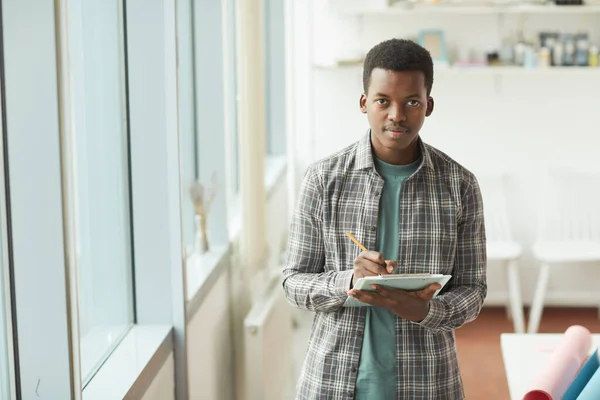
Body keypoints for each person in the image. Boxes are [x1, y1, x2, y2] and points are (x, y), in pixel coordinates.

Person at [282, 38, 487, 400]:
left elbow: (474, 289)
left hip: (427, 382)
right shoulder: (323, 180)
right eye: (383, 101)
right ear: (364, 103)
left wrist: (427, 310)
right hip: (334, 381)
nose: (397, 115)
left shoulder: (460, 185)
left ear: (429, 105)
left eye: (412, 102)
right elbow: (293, 282)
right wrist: (348, 280)